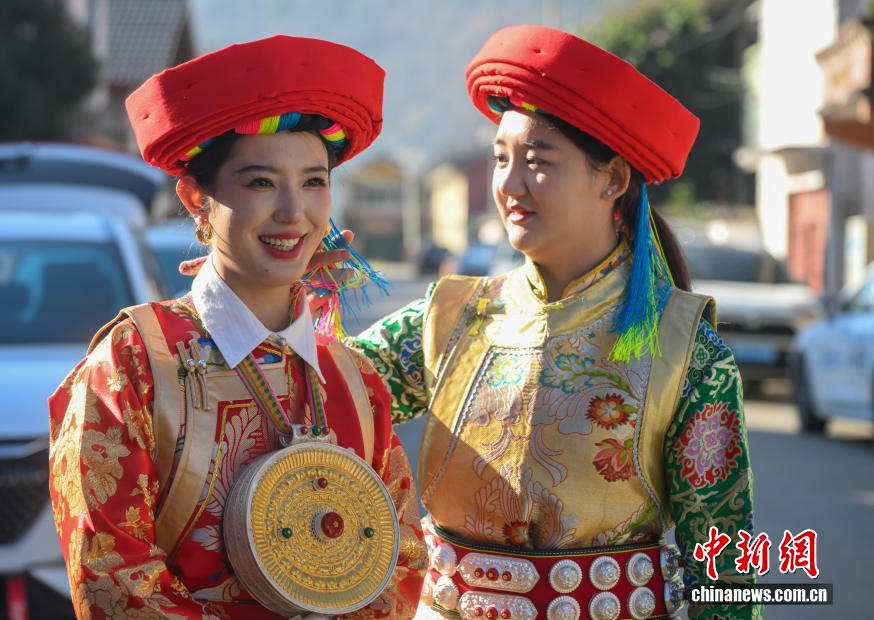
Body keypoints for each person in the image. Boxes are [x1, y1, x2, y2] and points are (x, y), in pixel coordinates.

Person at [344, 25, 758, 620]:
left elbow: (727, 572)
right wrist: (280, 284)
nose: (509, 185)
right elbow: (322, 394)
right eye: (500, 158)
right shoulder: (450, 317)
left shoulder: (687, 351)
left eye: (537, 161)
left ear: (612, 179)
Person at [47, 35, 425, 619]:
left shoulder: (353, 379)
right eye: (260, 183)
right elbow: (111, 575)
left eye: (314, 182)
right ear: (196, 199)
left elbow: (399, 561)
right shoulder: (134, 365)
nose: (293, 212)